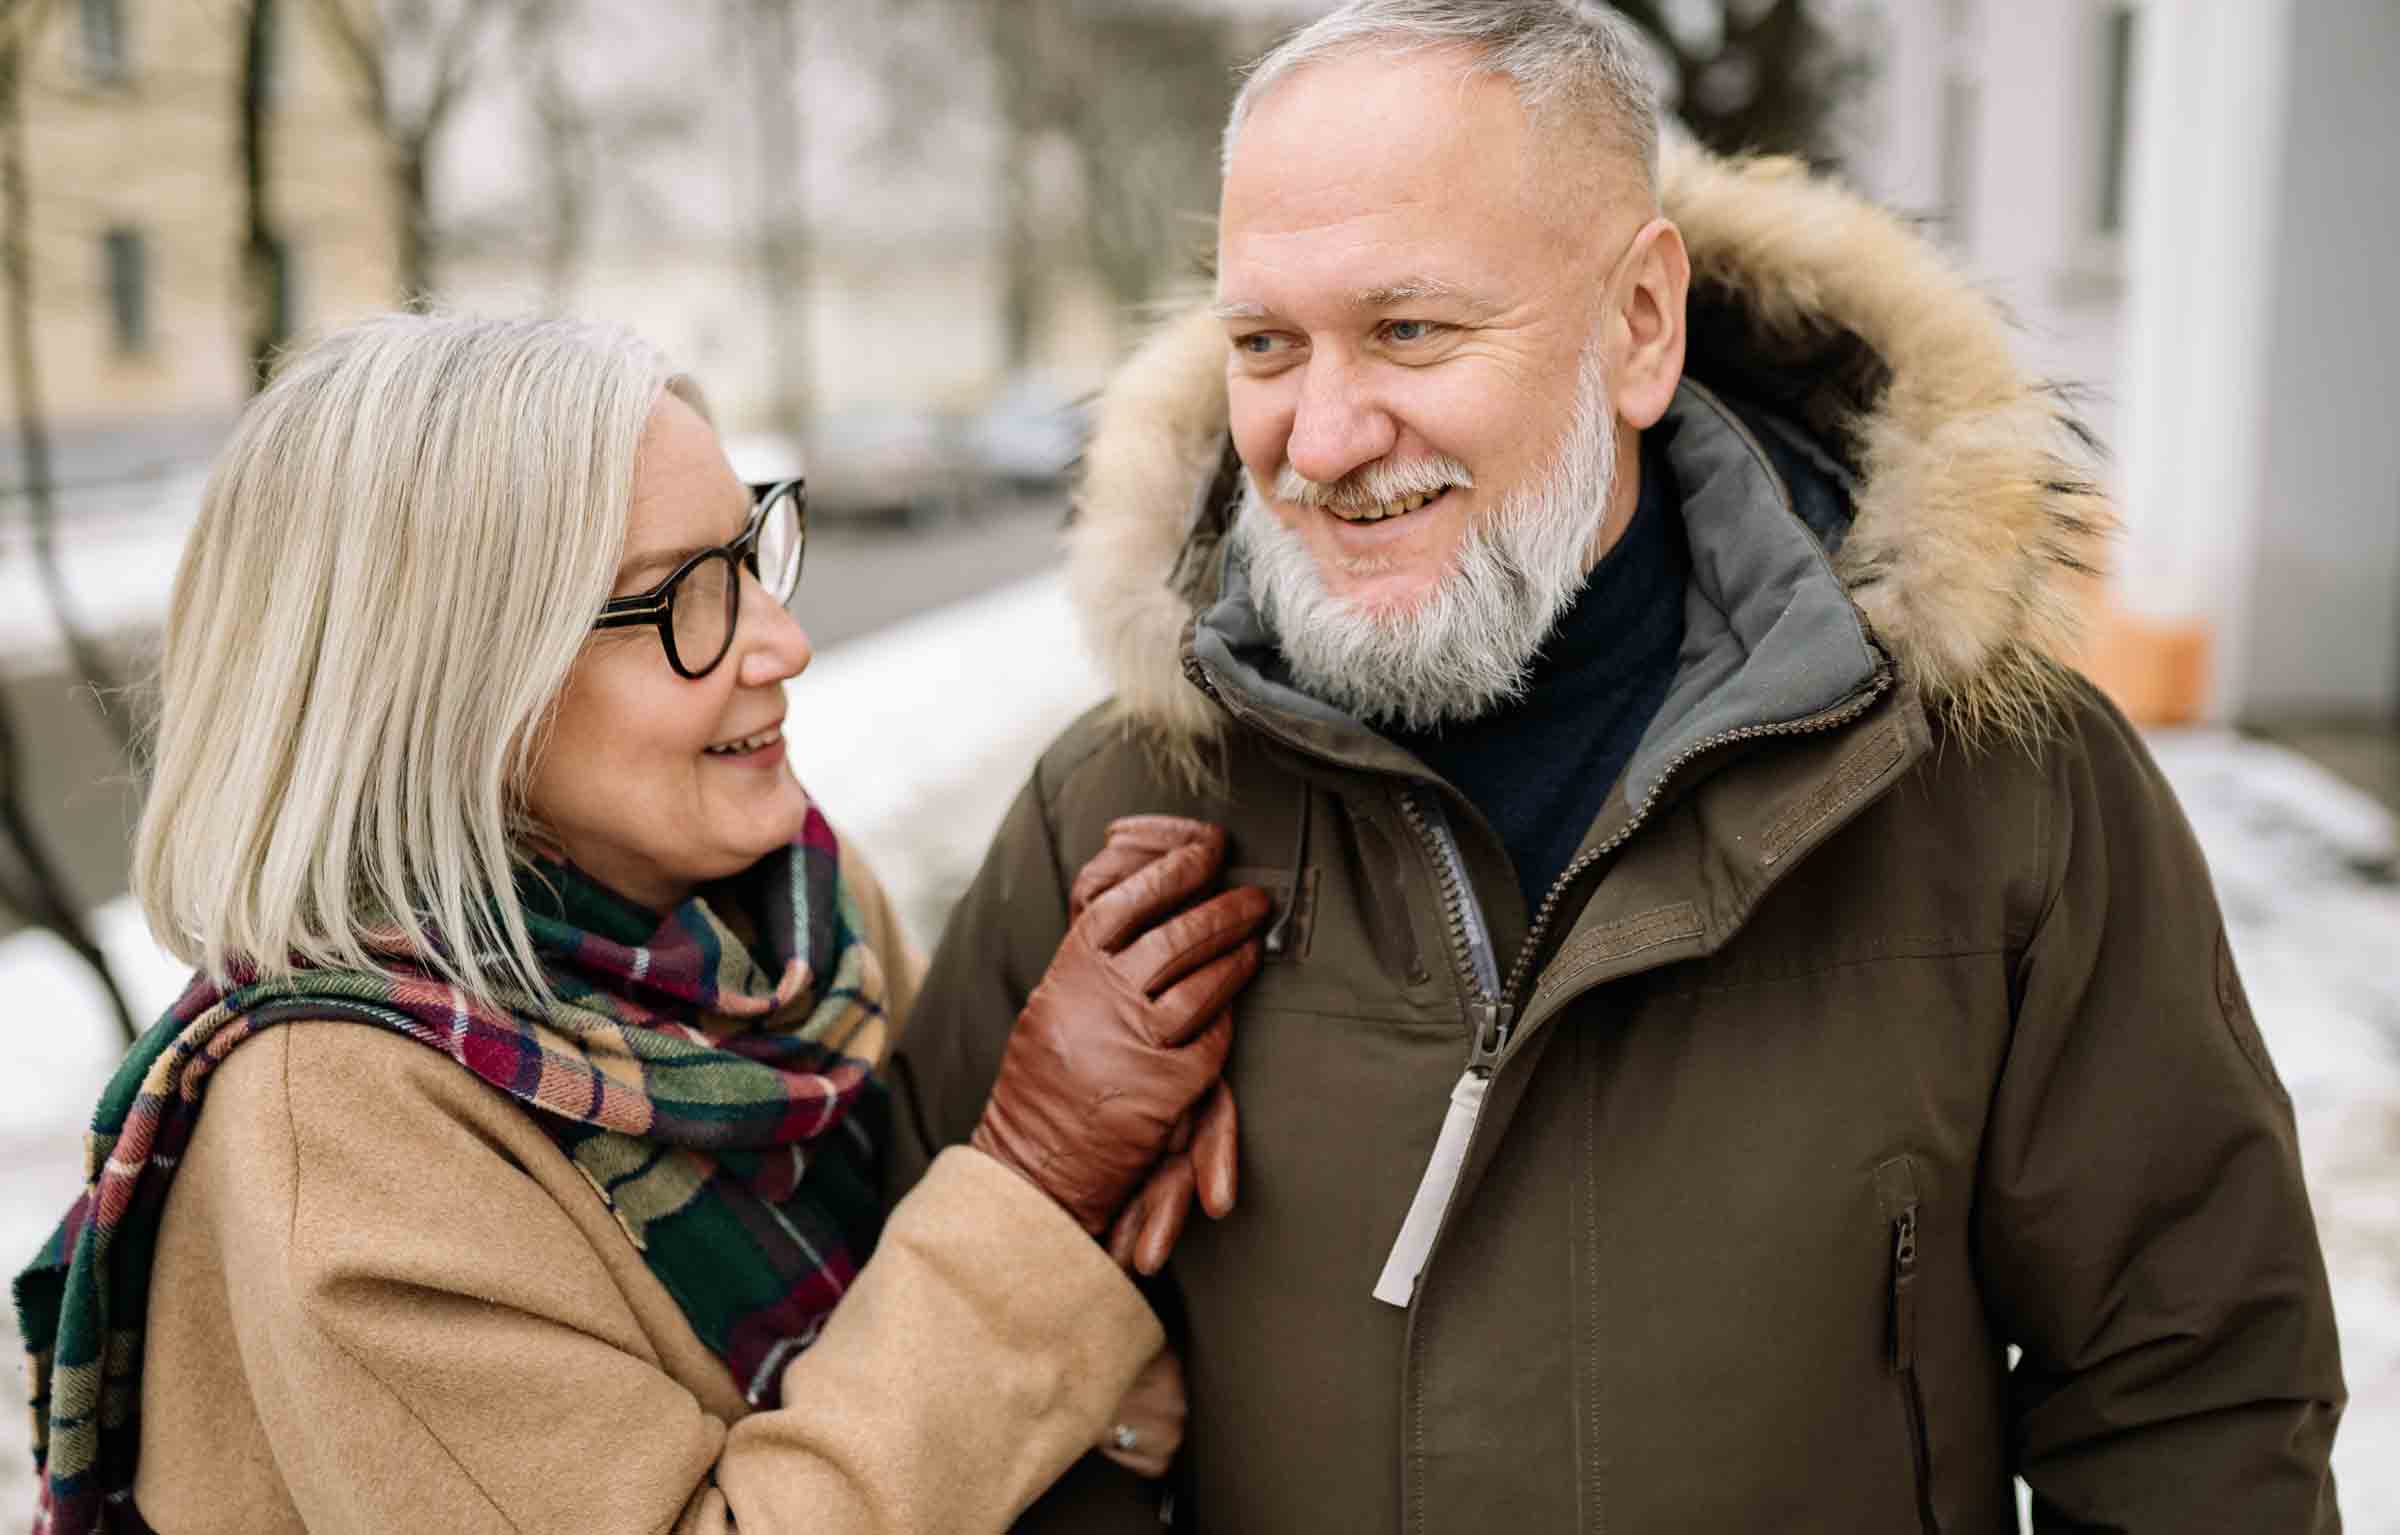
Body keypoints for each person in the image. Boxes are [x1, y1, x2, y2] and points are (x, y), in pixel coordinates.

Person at [888, 2, 2347, 1529]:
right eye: (1264, 343)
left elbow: (2196, 1402)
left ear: (1639, 325)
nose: (1319, 435)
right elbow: (955, 1411)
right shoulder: (1119, 806)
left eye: (1410, 330)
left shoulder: (1997, 790)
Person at [11, 311, 1272, 1535]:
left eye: (750, 552)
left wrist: (1133, 1093)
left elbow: (950, 1268)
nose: (782, 641)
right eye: (678, 596)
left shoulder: (781, 924)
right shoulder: (338, 1123)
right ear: (458, 689)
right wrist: (1038, 1179)